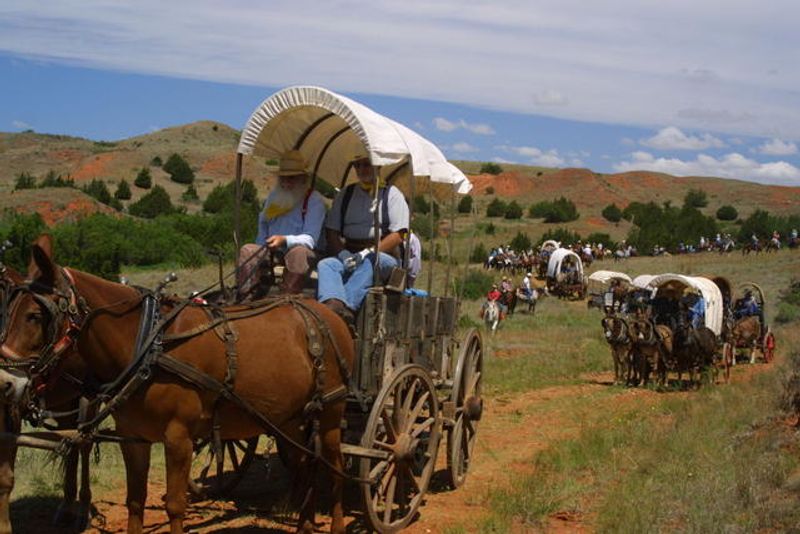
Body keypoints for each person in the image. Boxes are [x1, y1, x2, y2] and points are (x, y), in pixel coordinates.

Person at [317, 154, 410, 324]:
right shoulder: (346, 194)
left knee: (372, 261)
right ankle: (333, 305)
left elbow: (400, 234)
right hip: (350, 254)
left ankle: (348, 309)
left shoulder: (391, 194)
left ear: (378, 167)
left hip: (384, 256)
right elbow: (332, 230)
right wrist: (343, 254)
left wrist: (369, 252)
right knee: (326, 265)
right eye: (357, 166)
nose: (361, 170)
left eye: (366, 165)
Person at [238, 150, 325, 296]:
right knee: (247, 250)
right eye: (282, 179)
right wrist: (262, 246)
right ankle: (245, 296)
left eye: (291, 178)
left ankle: (287, 299)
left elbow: (310, 239)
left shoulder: (313, 200)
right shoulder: (274, 196)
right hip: (274, 250)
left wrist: (284, 240)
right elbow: (263, 223)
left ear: (303, 179)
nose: (286, 183)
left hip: (304, 252)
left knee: (297, 253)